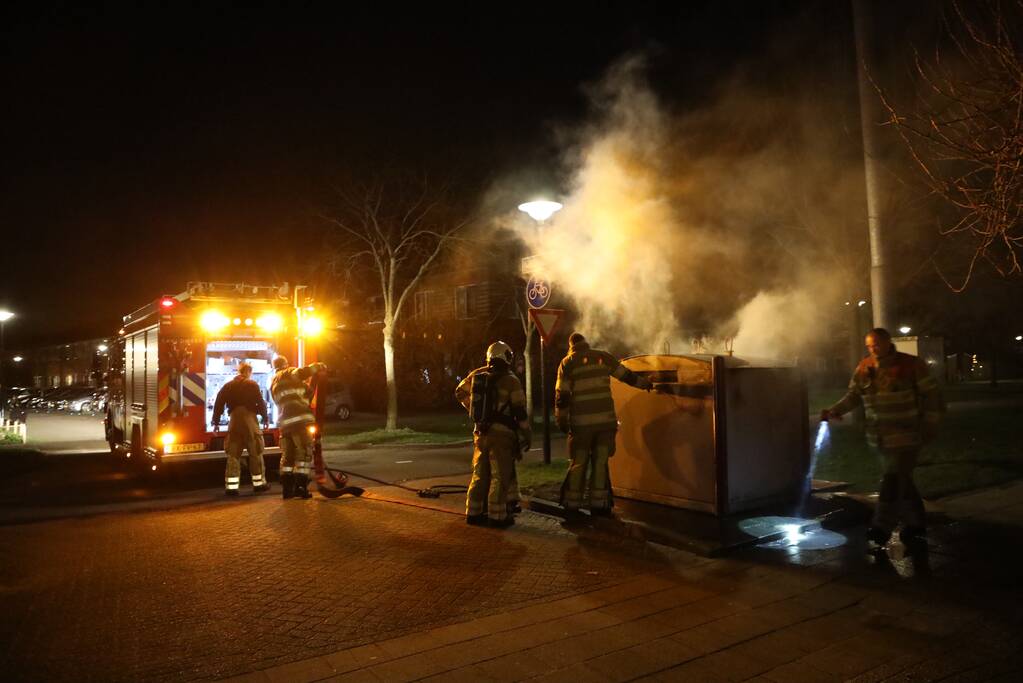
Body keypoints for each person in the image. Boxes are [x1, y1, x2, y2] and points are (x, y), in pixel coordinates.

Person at [821, 328, 943, 546]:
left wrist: (930, 425)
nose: (872, 349)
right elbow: (854, 395)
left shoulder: (911, 365)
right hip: (879, 439)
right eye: (869, 345)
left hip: (907, 437)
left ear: (888, 343)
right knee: (903, 480)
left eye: (876, 344)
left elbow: (932, 396)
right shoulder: (865, 367)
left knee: (892, 481)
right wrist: (835, 410)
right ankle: (916, 523)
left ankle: (881, 528)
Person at [555, 333, 653, 516]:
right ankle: (599, 504)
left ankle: (572, 504)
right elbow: (626, 376)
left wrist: (561, 421)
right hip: (605, 424)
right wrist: (645, 384)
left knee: (579, 463)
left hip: (581, 425)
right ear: (586, 343)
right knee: (600, 462)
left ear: (571, 345)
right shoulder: (603, 357)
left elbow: (563, 396)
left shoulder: (567, 363)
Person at [455, 341, 531, 528]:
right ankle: (497, 516)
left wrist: (473, 410)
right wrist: (526, 434)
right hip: (502, 436)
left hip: (481, 433)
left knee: (480, 474)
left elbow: (459, 392)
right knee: (500, 476)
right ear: (507, 357)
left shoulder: (478, 375)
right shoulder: (511, 380)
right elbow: (520, 412)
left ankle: (473, 513)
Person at [271, 355, 326, 500]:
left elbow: (300, 396)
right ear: (285, 364)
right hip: (300, 421)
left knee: (288, 457)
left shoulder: (274, 383)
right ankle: (301, 487)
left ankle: (287, 490)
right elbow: (303, 372)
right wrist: (319, 366)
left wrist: (309, 387)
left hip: (285, 424)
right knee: (304, 453)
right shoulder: (290, 372)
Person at [212, 362, 270, 496]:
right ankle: (259, 484)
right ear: (248, 372)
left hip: (234, 421)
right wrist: (265, 418)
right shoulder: (252, 384)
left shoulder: (228, 385)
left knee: (233, 454)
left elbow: (218, 403)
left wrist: (215, 422)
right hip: (249, 420)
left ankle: (232, 488)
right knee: (255, 452)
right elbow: (260, 402)